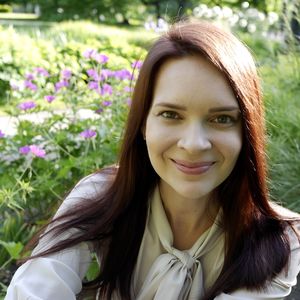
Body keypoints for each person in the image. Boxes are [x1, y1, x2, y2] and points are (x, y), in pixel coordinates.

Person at [5, 20, 300, 300]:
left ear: (246, 130)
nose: (194, 144)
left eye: (222, 119)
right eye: (171, 115)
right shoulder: (103, 196)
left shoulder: (278, 242)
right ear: (143, 124)